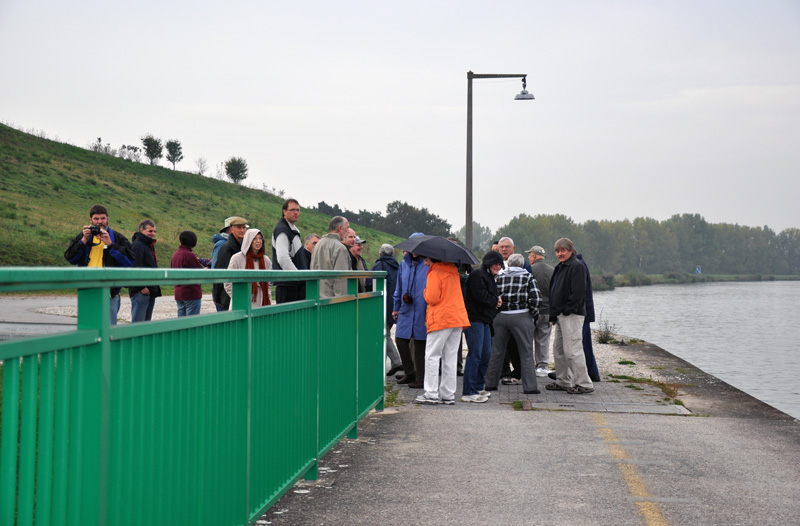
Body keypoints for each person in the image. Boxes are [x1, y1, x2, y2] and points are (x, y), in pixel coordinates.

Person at [64, 204, 133, 325]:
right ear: (90, 220)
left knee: (109, 327)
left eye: (102, 218)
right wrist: (83, 241)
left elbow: (130, 262)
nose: (99, 222)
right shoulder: (84, 237)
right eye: (96, 219)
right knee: (88, 325)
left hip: (109, 290)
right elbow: (70, 258)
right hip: (87, 287)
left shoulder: (118, 238)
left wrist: (111, 245)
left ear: (108, 219)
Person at [415, 256, 470, 405]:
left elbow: (432, 298)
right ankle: (448, 393)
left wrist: (425, 291)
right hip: (457, 318)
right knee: (450, 358)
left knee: (432, 356)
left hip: (441, 319)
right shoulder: (454, 272)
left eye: (426, 260)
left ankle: (431, 393)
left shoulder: (435, 273)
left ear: (433, 259)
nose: (425, 263)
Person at [484, 254, 541, 394]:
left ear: (508, 264)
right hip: (521, 315)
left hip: (500, 317)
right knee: (526, 352)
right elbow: (536, 298)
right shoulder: (528, 277)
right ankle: (530, 387)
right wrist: (533, 315)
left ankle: (490, 384)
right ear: (522, 265)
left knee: (497, 351)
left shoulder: (499, 277)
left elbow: (492, 296)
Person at [547, 237, 594, 394]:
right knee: (559, 350)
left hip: (571, 315)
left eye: (563, 250)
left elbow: (578, 292)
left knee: (573, 350)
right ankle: (563, 380)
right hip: (560, 315)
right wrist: (554, 314)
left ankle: (584, 384)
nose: (560, 253)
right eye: (558, 251)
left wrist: (567, 309)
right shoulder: (560, 267)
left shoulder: (576, 266)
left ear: (571, 251)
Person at [461, 251, 503, 403]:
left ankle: (478, 387)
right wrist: (495, 301)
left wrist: (496, 302)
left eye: (500, 264)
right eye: (496, 264)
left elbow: (489, 296)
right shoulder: (477, 275)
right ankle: (468, 392)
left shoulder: (490, 277)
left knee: (486, 354)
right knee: (475, 354)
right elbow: (480, 296)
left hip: (485, 320)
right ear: (489, 262)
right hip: (474, 319)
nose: (498, 267)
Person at [392, 236, 429, 389]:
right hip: (406, 309)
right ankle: (410, 372)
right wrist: (396, 306)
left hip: (422, 308)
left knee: (420, 343)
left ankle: (420, 378)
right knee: (400, 339)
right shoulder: (403, 264)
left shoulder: (428, 264)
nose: (415, 250)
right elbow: (398, 287)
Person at [496, 236, 532, 383]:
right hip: (500, 312)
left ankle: (518, 372)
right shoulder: (496, 264)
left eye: (507, 247)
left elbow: (531, 291)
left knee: (516, 345)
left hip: (519, 312)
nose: (504, 249)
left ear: (513, 248)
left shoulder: (524, 265)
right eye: (502, 247)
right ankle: (503, 371)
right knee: (500, 345)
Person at [372, 244, 402, 376]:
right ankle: (384, 366)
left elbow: (371, 283)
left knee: (384, 334)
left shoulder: (380, 265)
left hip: (382, 304)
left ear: (380, 254)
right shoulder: (398, 266)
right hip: (394, 304)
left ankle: (396, 362)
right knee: (385, 333)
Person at [526, 245, 555, 377]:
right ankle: (542, 366)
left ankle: (527, 365)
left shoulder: (529, 270)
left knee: (527, 339)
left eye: (529, 255)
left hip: (532, 310)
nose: (528, 257)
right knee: (543, 339)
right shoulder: (553, 270)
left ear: (533, 256)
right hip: (548, 311)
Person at [224, 229, 272, 308]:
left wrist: (268, 298)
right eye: (255, 238)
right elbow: (227, 282)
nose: (258, 241)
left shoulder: (266, 260)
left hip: (261, 304)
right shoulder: (237, 258)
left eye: (260, 238)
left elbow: (269, 284)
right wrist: (239, 299)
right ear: (248, 240)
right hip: (242, 304)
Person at [272, 198, 308, 303]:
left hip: (294, 286)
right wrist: (298, 277)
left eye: (298, 210)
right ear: (284, 211)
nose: (296, 212)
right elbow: (283, 258)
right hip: (289, 287)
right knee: (289, 319)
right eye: (292, 210)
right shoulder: (283, 230)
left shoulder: (291, 229)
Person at [309, 216, 351, 298]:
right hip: (332, 301)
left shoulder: (318, 245)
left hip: (316, 298)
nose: (348, 231)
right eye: (347, 228)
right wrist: (342, 301)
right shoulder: (340, 248)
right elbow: (341, 278)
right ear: (340, 228)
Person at [212, 216, 248, 311]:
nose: (242, 230)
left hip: (241, 293)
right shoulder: (226, 248)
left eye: (244, 227)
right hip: (227, 296)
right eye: (239, 227)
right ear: (232, 229)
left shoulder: (244, 247)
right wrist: (217, 297)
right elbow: (219, 272)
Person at [129, 219, 162, 323]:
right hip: (141, 291)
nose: (152, 234)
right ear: (141, 230)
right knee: (138, 324)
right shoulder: (138, 245)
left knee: (146, 324)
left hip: (150, 289)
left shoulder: (147, 245)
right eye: (150, 231)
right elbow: (134, 267)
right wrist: (142, 287)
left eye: (154, 231)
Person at [576, 253, 601, 382]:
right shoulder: (581, 264)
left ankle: (590, 373)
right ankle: (592, 372)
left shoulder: (578, 266)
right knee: (585, 343)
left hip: (581, 312)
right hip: (584, 311)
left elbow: (579, 291)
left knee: (581, 344)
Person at [171, 230, 205, 317]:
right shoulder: (189, 255)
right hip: (191, 292)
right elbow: (199, 272)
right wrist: (207, 267)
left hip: (179, 292)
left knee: (182, 321)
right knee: (192, 322)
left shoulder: (176, 254)